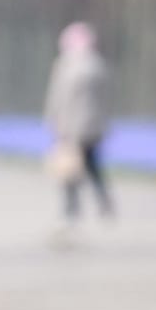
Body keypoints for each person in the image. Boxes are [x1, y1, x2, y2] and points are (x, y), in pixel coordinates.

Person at [44, 21, 113, 224]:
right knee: (92, 165)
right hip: (91, 125)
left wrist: (52, 120)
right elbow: (106, 100)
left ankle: (71, 206)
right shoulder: (98, 65)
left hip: (69, 125)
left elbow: (56, 97)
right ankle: (103, 199)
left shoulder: (64, 66)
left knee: (69, 167)